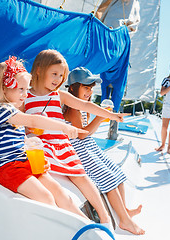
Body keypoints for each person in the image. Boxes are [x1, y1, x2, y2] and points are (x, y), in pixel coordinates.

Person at [24, 49, 128, 229]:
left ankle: (105, 218)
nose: (57, 79)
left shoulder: (58, 96)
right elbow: (19, 120)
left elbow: (85, 105)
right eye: (54, 74)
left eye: (61, 75)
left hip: (62, 145)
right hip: (42, 146)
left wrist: (112, 116)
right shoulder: (25, 96)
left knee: (81, 176)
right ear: (39, 70)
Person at [0, 56, 88, 219]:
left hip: (22, 163)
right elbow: (32, 119)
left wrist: (30, 148)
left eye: (26, 89)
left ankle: (86, 226)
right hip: (6, 168)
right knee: (46, 198)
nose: (25, 95)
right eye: (21, 89)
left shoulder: (11, 112)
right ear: (4, 88)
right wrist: (65, 127)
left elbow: (17, 140)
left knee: (61, 193)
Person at [63, 67, 145, 235]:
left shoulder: (81, 108)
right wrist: (99, 119)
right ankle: (124, 220)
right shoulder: (72, 109)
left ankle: (125, 211)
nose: (89, 91)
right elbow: (82, 134)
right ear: (72, 87)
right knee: (107, 177)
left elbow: (86, 134)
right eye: (86, 87)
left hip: (88, 145)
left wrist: (101, 117)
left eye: (91, 88)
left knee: (116, 172)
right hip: (80, 150)